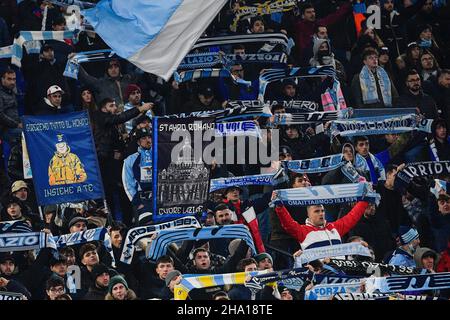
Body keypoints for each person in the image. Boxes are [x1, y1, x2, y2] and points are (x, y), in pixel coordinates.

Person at [273, 191, 369, 251]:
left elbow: (353, 216)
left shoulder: (334, 227)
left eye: (322, 211)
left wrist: (366, 199)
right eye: (317, 211)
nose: (321, 214)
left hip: (339, 274)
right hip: (318, 276)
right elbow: (287, 223)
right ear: (308, 215)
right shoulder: (302, 231)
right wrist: (279, 207)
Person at [122, 127, 152, 225]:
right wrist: (137, 203)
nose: (147, 140)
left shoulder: (161, 154)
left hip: (162, 198)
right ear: (138, 142)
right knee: (149, 227)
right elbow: (128, 183)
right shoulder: (130, 160)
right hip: (144, 200)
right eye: (143, 138)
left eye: (149, 137)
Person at [0, 68, 22, 146]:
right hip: (4, 129)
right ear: (2, 79)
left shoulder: (12, 92)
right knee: (25, 134)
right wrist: (17, 124)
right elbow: (1, 115)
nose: (12, 82)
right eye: (9, 79)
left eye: (14, 79)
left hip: (14, 127)